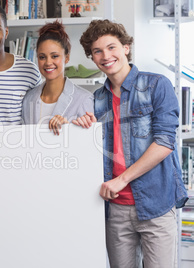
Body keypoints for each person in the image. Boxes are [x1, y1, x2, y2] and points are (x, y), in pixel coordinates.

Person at [73, 19, 188, 268]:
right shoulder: (96, 99)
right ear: (92, 58)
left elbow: (165, 142)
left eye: (112, 47)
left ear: (126, 47)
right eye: (97, 51)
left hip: (156, 204)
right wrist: (83, 126)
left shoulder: (157, 85)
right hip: (114, 210)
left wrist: (122, 179)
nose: (106, 56)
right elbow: (92, 151)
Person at [22, 20, 93, 135]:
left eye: (54, 56)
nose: (48, 62)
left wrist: (67, 129)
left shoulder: (84, 99)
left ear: (66, 58)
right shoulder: (28, 99)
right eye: (42, 57)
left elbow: (87, 144)